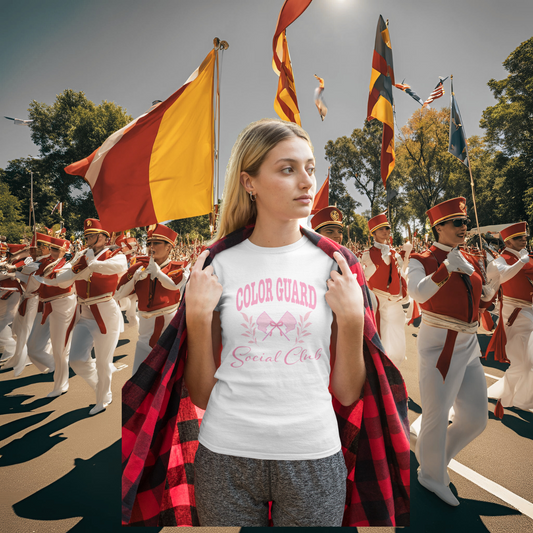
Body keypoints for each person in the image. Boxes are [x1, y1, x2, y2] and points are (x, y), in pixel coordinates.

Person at [122, 119, 410, 528]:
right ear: (249, 182)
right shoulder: (215, 264)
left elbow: (347, 392)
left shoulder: (338, 265)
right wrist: (199, 316)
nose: (306, 182)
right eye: (287, 169)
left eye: (309, 168)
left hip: (314, 453)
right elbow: (201, 395)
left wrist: (349, 319)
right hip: (225, 455)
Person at [407, 197, 496, 506]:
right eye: (457, 222)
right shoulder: (422, 259)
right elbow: (417, 292)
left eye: (465, 222)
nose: (464, 227)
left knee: (475, 417)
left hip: (469, 343)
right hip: (439, 342)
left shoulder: (468, 258)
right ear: (438, 227)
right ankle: (430, 475)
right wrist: (444, 269)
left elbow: (473, 302)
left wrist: (489, 295)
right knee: (436, 412)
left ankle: (434, 457)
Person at [36, 219, 127, 415]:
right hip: (84, 312)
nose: (87, 239)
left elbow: (118, 267)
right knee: (76, 359)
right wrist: (67, 273)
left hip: (105, 311)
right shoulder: (82, 255)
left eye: (91, 235)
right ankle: (100, 387)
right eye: (86, 236)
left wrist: (89, 266)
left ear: (103, 237)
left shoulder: (115, 254)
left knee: (103, 361)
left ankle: (103, 397)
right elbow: (63, 280)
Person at [115, 224, 188, 375]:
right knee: (138, 376)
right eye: (149, 243)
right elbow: (118, 294)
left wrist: (158, 273)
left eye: (156, 243)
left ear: (169, 247)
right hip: (145, 330)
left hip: (168, 329)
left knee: (167, 376)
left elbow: (175, 286)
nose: (151, 247)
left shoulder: (178, 267)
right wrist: (134, 279)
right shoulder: (138, 267)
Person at [486, 221, 533, 414]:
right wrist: (522, 261)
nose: (524, 240)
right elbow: (503, 276)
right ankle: (519, 398)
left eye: (525, 237)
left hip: (530, 311)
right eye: (519, 238)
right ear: (508, 241)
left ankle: (512, 396)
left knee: (524, 364)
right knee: (524, 362)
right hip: (515, 314)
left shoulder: (528, 257)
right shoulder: (500, 260)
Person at [25, 236, 77, 397]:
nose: (50, 251)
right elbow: (32, 279)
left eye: (56, 249)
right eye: (50, 248)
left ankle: (61, 384)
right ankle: (55, 366)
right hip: (44, 305)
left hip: (63, 304)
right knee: (32, 346)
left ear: (65, 251)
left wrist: (37, 277)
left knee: (60, 348)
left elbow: (60, 282)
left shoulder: (69, 264)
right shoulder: (44, 262)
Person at [361, 213, 411, 367]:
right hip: (378, 301)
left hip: (395, 302)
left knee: (397, 342)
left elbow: (401, 275)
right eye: (381, 229)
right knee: (379, 339)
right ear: (373, 233)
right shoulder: (367, 254)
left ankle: (394, 370)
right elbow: (364, 278)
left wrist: (405, 296)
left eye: (387, 228)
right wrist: (378, 264)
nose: (385, 231)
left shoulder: (395, 253)